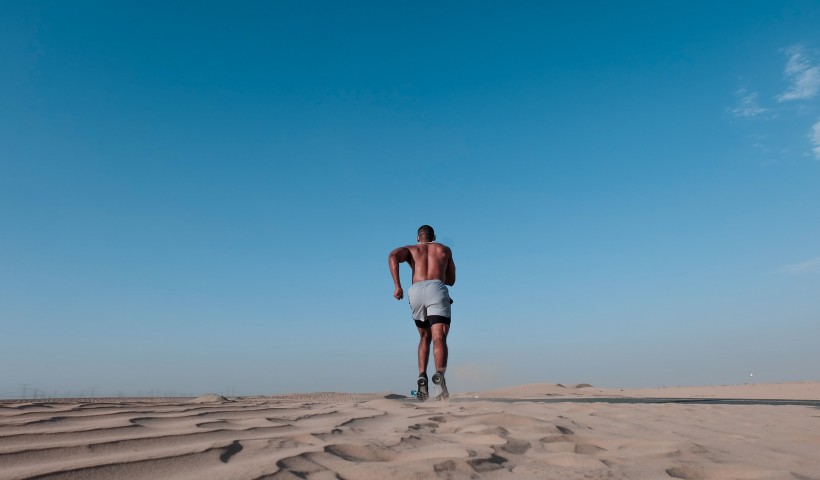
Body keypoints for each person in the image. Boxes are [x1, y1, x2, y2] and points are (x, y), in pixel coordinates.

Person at [388, 225, 456, 401]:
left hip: (415, 290)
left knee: (424, 337)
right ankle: (439, 376)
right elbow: (451, 280)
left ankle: (422, 376)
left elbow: (392, 255)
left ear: (418, 238)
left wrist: (397, 285)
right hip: (436, 287)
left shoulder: (411, 249)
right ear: (434, 236)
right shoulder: (444, 249)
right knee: (439, 337)